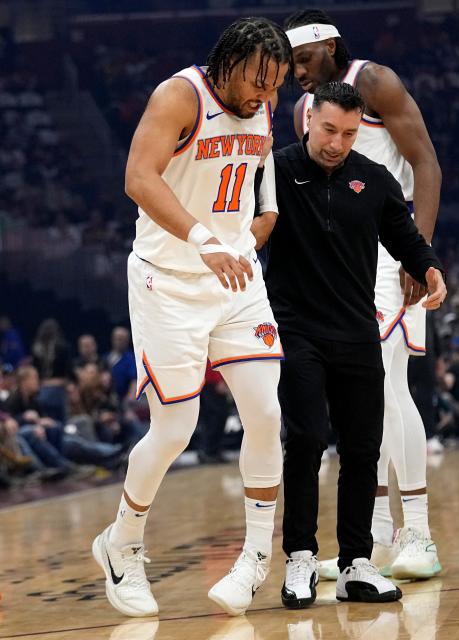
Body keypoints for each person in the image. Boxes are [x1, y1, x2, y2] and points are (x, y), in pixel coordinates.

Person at [91, 17, 290, 618]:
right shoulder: (179, 96)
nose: (264, 93)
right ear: (226, 61)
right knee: (175, 428)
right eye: (257, 79)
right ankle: (121, 542)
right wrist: (205, 238)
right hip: (169, 280)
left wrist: (245, 243)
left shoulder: (263, 100)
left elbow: (263, 202)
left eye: (274, 83)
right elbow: (137, 178)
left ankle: (256, 558)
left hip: (234, 278)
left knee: (265, 412)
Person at [253, 81, 445, 608]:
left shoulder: (375, 179)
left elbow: (404, 237)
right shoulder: (275, 169)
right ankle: (298, 559)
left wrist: (427, 267)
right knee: (308, 438)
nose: (337, 143)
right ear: (309, 119)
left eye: (349, 134)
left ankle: (356, 562)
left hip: (358, 328)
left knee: (363, 448)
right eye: (329, 130)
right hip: (296, 329)